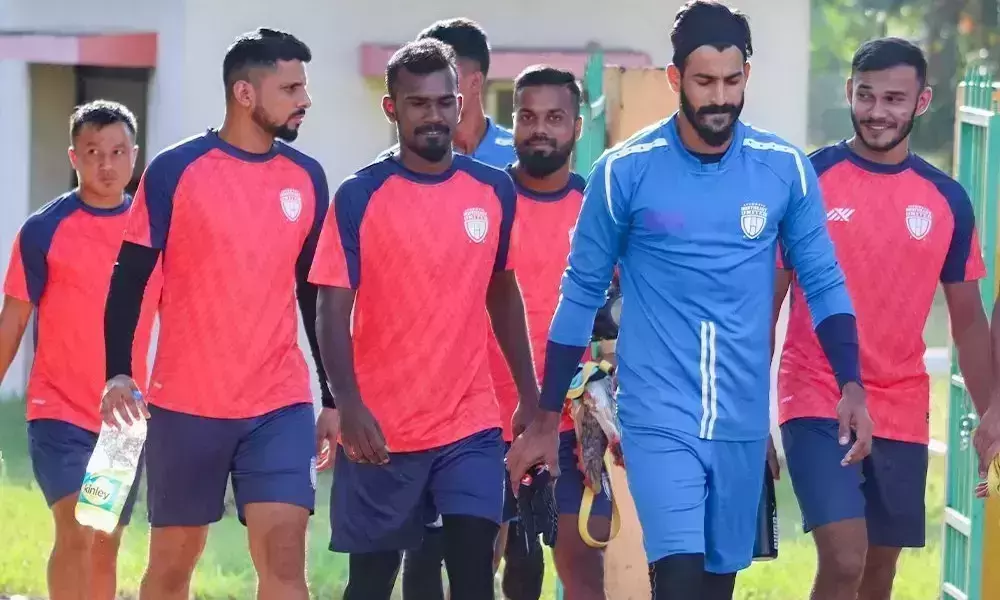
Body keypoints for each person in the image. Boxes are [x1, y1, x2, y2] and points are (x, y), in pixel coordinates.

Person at [507, 2, 870, 599]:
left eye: (732, 80)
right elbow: (578, 296)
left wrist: (851, 385)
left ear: (747, 76)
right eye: (704, 81)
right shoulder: (624, 171)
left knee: (713, 586)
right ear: (675, 78)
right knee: (677, 577)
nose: (719, 97)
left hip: (739, 420)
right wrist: (547, 419)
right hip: (656, 414)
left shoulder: (783, 169)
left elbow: (824, 282)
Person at [99, 28, 331, 600]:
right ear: (245, 93)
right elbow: (128, 279)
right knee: (172, 567)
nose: (305, 99)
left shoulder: (308, 177)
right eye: (291, 88)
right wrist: (118, 371)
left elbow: (313, 295)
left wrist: (330, 396)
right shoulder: (175, 170)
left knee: (284, 559)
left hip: (278, 404)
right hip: (186, 405)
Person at [309, 38, 539, 600]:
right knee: (371, 584)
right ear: (392, 108)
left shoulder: (494, 190)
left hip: (469, 424)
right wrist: (348, 406)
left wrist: (530, 396)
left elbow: (502, 291)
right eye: (418, 103)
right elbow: (331, 310)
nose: (433, 115)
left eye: (443, 102)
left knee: (472, 574)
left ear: (460, 104)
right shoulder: (360, 195)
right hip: (382, 431)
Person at [773, 37, 992, 600]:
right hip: (816, 392)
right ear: (850, 91)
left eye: (894, 99)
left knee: (877, 572)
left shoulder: (947, 199)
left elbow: (968, 320)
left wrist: (990, 410)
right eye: (866, 95)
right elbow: (766, 303)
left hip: (901, 403)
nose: (877, 111)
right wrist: (749, 411)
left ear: (922, 102)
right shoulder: (808, 180)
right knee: (845, 559)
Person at [0, 100, 159, 600]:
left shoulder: (153, 234)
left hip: (121, 418)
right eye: (93, 152)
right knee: (78, 527)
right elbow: (13, 320)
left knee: (104, 543)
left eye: (117, 152)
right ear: (74, 157)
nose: (106, 164)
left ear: (134, 155)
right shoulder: (43, 230)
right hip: (58, 411)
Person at [390, 18, 521, 600]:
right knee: (423, 551)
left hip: (503, 393)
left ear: (472, 82)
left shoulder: (516, 161)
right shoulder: (394, 167)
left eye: (450, 82)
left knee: (503, 550)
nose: (437, 102)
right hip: (425, 401)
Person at [487, 65, 611, 600]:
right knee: (476, 568)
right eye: (527, 116)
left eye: (555, 118)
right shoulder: (485, 199)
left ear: (577, 128)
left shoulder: (597, 210)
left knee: (583, 569)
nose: (539, 128)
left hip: (567, 420)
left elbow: (621, 311)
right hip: (481, 421)